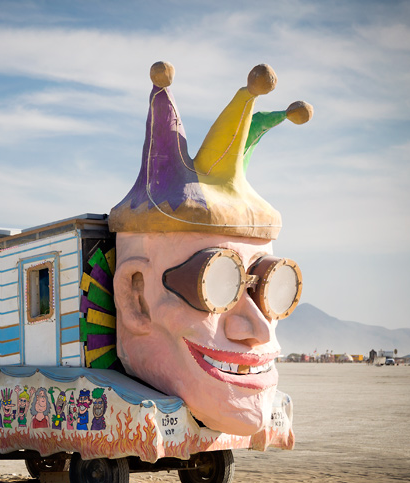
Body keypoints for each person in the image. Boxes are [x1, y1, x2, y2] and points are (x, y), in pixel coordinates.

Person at [110, 62, 310, 437]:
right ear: (134, 296)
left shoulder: (257, 332)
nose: (259, 330)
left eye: (270, 286)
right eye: (217, 284)